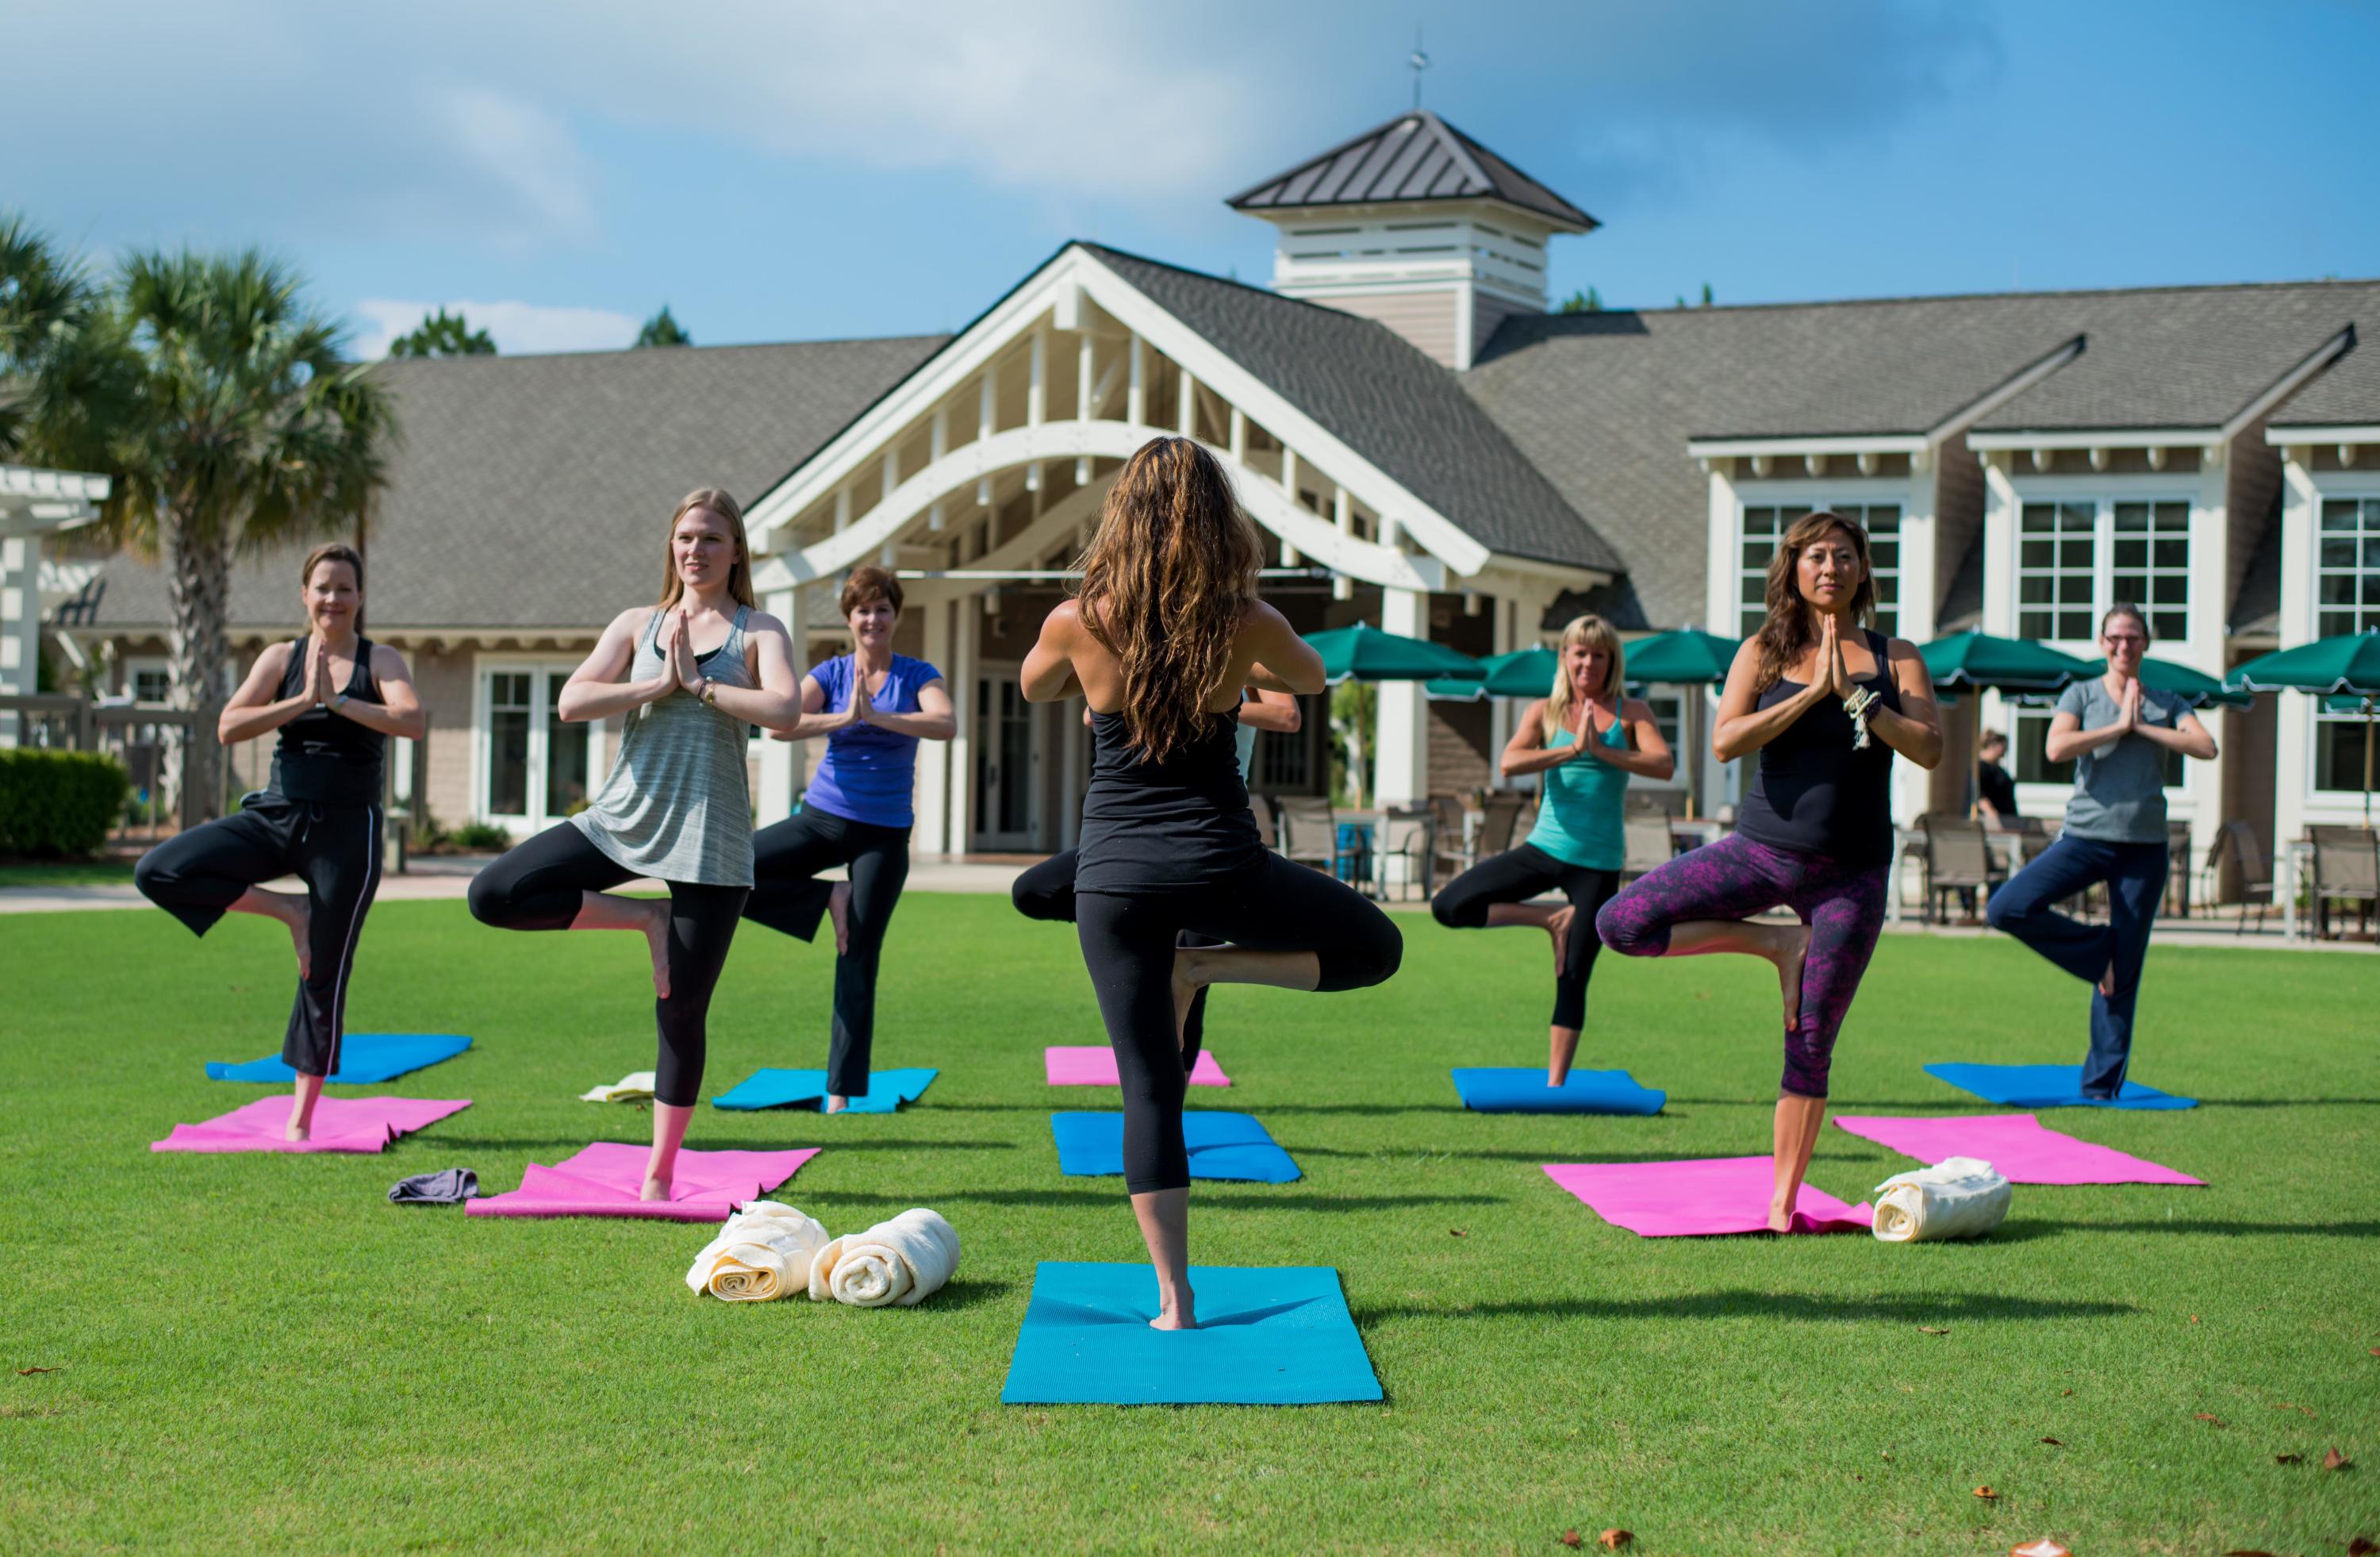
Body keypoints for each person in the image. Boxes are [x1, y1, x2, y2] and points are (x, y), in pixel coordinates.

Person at [1021, 436, 1402, 1329]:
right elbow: (1313, 676)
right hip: (1219, 866)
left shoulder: (1081, 617)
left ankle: (1175, 1300)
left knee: (1148, 1085)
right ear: (1217, 523)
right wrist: (1230, 677)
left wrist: (1105, 668)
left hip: (1112, 878)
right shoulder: (1245, 619)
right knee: (1376, 948)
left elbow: (1038, 688)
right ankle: (1209, 968)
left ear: (1124, 517)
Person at [1596, 510, 1941, 1231]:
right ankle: (1775, 942)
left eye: (1845, 556)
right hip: (1760, 852)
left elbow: (1931, 749)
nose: (1830, 568)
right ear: (1793, 567)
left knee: (1810, 1041)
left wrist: (1858, 699)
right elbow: (1725, 742)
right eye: (1816, 555)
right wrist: (1811, 695)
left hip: (1851, 875)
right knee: (1620, 922)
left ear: (1862, 571)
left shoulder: (1896, 653)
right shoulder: (1763, 649)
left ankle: (1782, 1205)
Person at [466, 488, 801, 1199]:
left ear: (736, 550)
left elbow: (785, 710)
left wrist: (704, 688)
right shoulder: (638, 623)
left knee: (680, 1008)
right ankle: (643, 917)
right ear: (671, 547)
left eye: (712, 538)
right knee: (494, 893)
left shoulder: (758, 630)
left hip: (711, 841)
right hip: (623, 819)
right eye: (685, 537)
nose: (696, 550)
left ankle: (659, 1171)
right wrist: (656, 683)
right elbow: (571, 700)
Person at [135, 543, 427, 1140]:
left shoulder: (381, 660)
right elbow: (227, 726)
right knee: (160, 869)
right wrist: (301, 701)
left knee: (324, 971)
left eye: (345, 588)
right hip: (276, 814)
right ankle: (287, 908)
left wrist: (342, 702)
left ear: (360, 597)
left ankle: (300, 1119)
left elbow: (413, 721)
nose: (333, 598)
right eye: (322, 587)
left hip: (347, 829)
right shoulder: (281, 658)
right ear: (305, 594)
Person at [739, 564, 954, 1113]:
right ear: (849, 618)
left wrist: (880, 717)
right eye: (863, 610)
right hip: (823, 818)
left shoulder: (917, 673)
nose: (873, 619)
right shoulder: (831, 674)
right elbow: (779, 724)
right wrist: (842, 719)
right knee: (734, 865)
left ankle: (841, 1092)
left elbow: (945, 723)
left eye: (883, 609)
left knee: (857, 952)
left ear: (896, 616)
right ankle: (827, 896)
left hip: (883, 835)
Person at [1429, 613, 1674, 1085]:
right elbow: (1509, 761)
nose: (1588, 662)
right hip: (1544, 848)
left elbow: (1663, 765)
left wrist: (1604, 751)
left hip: (1598, 863)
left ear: (1611, 661)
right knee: (1449, 905)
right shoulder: (1543, 711)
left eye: (1598, 654)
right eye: (1579, 652)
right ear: (1565, 658)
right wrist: (1570, 750)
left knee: (1574, 975)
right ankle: (1548, 918)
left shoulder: (1633, 712)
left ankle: (1555, 1084)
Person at [1984, 605, 2215, 1098]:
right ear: (2102, 641)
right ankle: (2096, 955)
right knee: (2006, 906)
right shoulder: (2082, 694)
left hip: (2145, 848)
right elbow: (2056, 747)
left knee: (2125, 971)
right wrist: (2116, 727)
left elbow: (2205, 746)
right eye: (2115, 637)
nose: (2123, 646)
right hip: (2086, 838)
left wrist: (2142, 726)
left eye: (2132, 638)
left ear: (2146, 643)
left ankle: (2100, 1087)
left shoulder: (2167, 700)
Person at [1011, 686, 1303, 1069]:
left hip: (1209, 833)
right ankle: (1144, 926)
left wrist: (1203, 705)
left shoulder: (1246, 645)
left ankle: (1171, 1105)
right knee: (1033, 891)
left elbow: (1287, 716)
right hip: (1133, 827)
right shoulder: (1149, 646)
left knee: (1190, 989)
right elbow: (1088, 714)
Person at [1973, 729, 2019, 828]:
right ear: (1993, 746)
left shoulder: (1998, 768)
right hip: (1993, 823)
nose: (2006, 749)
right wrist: (1994, 816)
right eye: (2004, 746)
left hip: (2008, 819)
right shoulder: (1981, 768)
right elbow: (1980, 796)